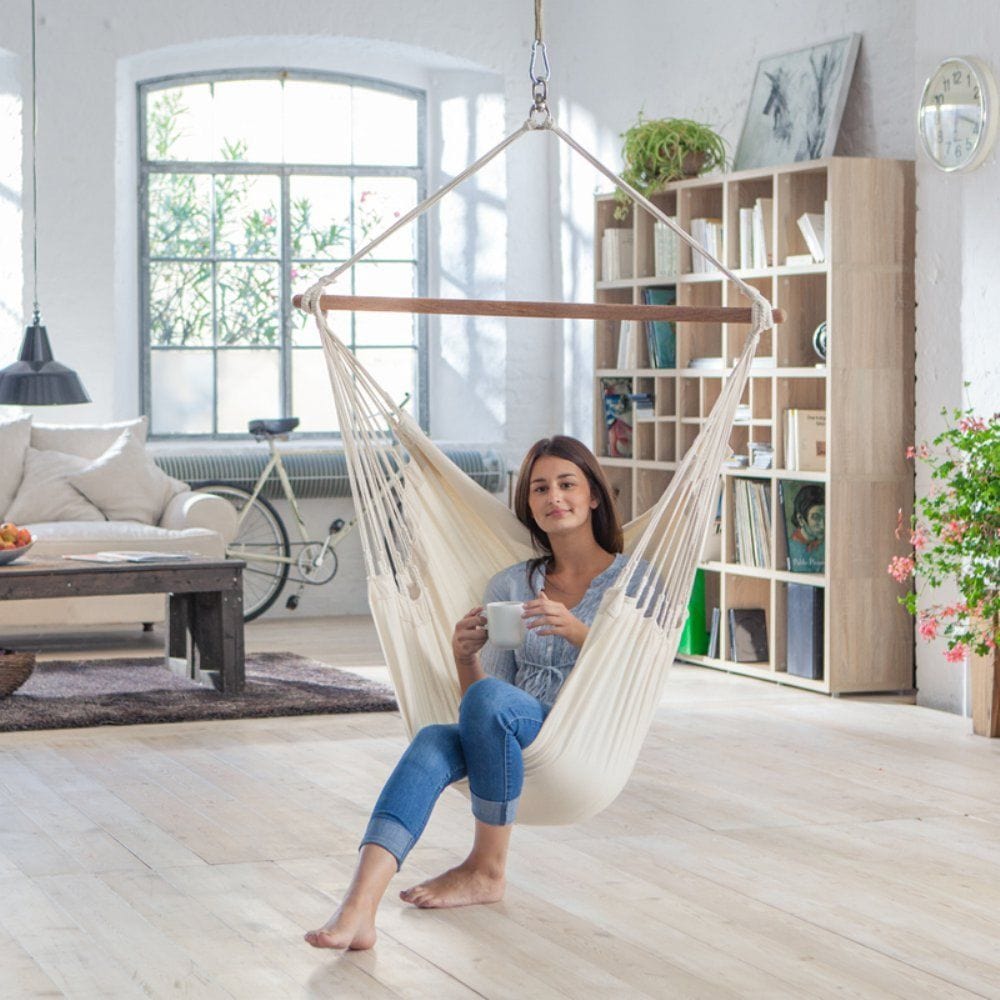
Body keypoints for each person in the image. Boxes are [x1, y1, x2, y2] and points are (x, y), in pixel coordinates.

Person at [304, 435, 629, 950]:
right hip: (515, 729)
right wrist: (464, 657)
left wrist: (578, 633)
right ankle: (358, 907)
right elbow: (487, 699)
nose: (553, 497)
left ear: (593, 495)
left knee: (488, 707)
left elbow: (634, 674)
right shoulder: (510, 586)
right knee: (435, 737)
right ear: (529, 505)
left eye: (567, 484)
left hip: (581, 737)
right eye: (539, 488)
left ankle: (486, 867)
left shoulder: (632, 583)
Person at [786, 483, 825, 572]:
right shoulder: (791, 548)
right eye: (816, 517)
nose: (823, 525)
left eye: (825, 517)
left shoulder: (825, 544)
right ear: (800, 519)